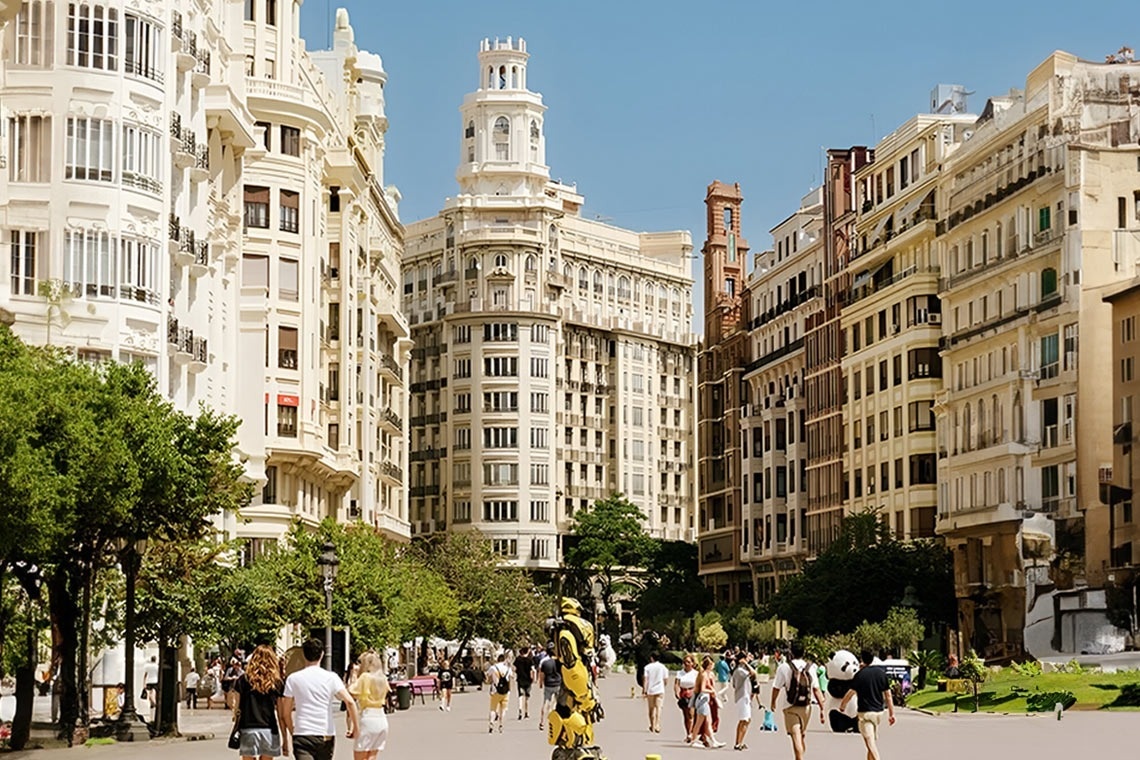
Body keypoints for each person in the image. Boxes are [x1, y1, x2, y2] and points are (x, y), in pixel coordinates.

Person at [281, 638, 360, 760]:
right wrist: (356, 728)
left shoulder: (293, 679)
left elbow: (285, 713)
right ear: (322, 654)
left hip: (302, 734)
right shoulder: (331, 677)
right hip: (325, 734)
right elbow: (350, 702)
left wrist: (293, 731)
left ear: (303, 655)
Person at [770, 641, 825, 760]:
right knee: (801, 735)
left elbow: (776, 687)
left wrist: (773, 702)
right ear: (804, 653)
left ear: (791, 652)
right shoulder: (811, 668)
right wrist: (822, 709)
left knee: (796, 736)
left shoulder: (784, 667)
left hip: (790, 706)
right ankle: (801, 755)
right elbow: (816, 689)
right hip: (806, 707)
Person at [233, 645, 286, 760]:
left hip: (248, 728)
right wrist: (285, 739)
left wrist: (236, 722)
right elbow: (281, 715)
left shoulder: (243, 680)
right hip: (269, 729)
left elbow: (236, 708)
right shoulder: (276, 683)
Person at [839, 650, 895, 760]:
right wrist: (891, 714)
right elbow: (888, 695)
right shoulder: (881, 673)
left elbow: (851, 693)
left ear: (862, 660)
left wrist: (843, 705)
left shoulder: (860, 675)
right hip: (878, 712)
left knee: (870, 742)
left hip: (865, 713)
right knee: (871, 740)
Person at [348, 651, 390, 760]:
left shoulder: (365, 677)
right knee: (372, 756)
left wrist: (354, 676)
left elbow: (351, 691)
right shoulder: (382, 678)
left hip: (368, 717)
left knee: (360, 756)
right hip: (381, 718)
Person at [687, 656, 725, 748]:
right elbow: (702, 689)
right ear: (709, 665)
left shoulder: (708, 674)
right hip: (702, 700)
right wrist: (712, 691)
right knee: (699, 722)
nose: (713, 666)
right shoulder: (704, 675)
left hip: (705, 699)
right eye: (712, 664)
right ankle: (693, 741)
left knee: (708, 722)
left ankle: (713, 741)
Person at [731, 651, 757, 751]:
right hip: (743, 697)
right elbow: (754, 673)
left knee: (746, 720)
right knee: (744, 720)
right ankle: (738, 743)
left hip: (745, 697)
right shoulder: (740, 671)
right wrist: (746, 663)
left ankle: (739, 742)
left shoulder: (740, 670)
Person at [641, 651, 669, 733]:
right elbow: (666, 679)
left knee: (651, 708)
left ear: (651, 658)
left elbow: (646, 679)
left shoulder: (647, 667)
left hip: (651, 690)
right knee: (658, 708)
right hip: (660, 689)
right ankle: (657, 724)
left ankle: (652, 725)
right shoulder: (663, 667)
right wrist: (663, 685)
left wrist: (644, 690)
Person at [673, 654, 698, 741]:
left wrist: (693, 692)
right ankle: (688, 733)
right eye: (685, 662)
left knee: (691, 714)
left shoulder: (695, 673)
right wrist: (677, 692)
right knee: (686, 715)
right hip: (683, 694)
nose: (686, 663)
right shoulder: (680, 673)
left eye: (688, 662)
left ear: (692, 663)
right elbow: (676, 684)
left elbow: (698, 684)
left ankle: (691, 733)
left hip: (692, 694)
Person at [537, 646, 561, 732]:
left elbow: (542, 674)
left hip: (548, 684)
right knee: (559, 703)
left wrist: (540, 683)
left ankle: (542, 723)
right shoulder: (558, 662)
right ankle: (557, 721)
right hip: (558, 683)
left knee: (546, 703)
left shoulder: (544, 662)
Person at [487, 653, 511, 733]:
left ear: (497, 660)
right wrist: (509, 690)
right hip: (505, 692)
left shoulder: (493, 668)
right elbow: (510, 679)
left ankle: (491, 722)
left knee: (493, 709)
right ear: (504, 660)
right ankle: (501, 725)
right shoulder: (507, 668)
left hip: (495, 691)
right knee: (503, 710)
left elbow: (488, 678)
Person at [513, 646, 535, 720]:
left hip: (520, 680)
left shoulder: (518, 659)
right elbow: (533, 670)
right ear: (527, 651)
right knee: (527, 697)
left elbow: (514, 669)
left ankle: (520, 710)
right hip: (528, 680)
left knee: (520, 696)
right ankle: (526, 713)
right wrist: (533, 678)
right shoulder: (530, 660)